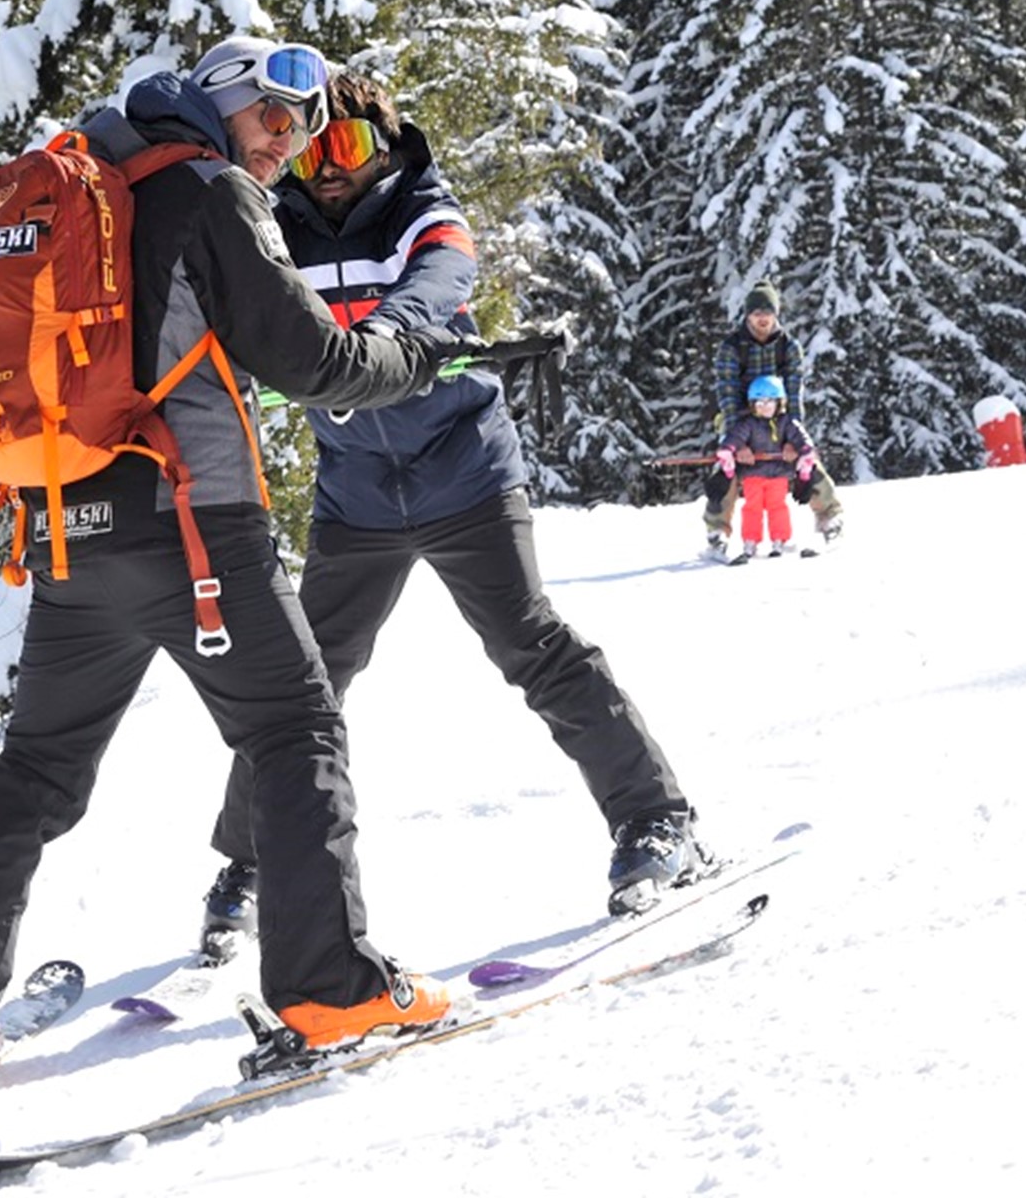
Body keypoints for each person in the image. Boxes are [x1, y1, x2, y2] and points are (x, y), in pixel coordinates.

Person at [0, 38, 476, 1079]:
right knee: (295, 731)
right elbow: (317, 362)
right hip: (194, 524)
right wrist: (419, 344)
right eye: (271, 116)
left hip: (70, 528)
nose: (283, 144)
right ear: (219, 99)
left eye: (300, 131)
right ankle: (330, 991)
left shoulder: (93, 179)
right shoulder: (208, 192)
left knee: (36, 770)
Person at [196, 71, 710, 959]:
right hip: (356, 494)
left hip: (464, 474)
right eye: (313, 149)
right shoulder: (274, 227)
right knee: (302, 685)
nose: (326, 170)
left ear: (384, 146)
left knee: (533, 645)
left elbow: (441, 279)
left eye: (348, 148)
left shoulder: (422, 210)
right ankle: (251, 865)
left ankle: (658, 820)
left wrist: (384, 346)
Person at [701, 283, 843, 559]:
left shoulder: (788, 347)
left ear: (776, 313)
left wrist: (794, 438)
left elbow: (794, 392)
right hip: (740, 418)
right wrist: (737, 442)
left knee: (807, 459)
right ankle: (717, 530)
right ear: (747, 315)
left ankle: (829, 517)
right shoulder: (732, 348)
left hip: (780, 417)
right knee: (726, 469)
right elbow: (728, 394)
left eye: (767, 311)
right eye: (755, 312)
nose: (762, 317)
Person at [715, 375, 817, 563]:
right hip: (753, 474)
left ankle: (780, 539)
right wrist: (729, 450)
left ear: (779, 402)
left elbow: (801, 436)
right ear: (752, 404)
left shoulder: (787, 422)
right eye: (759, 402)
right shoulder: (748, 423)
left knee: (777, 506)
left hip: (778, 474)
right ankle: (750, 541)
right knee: (752, 508)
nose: (764, 406)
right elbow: (735, 437)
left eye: (769, 402)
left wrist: (805, 451)